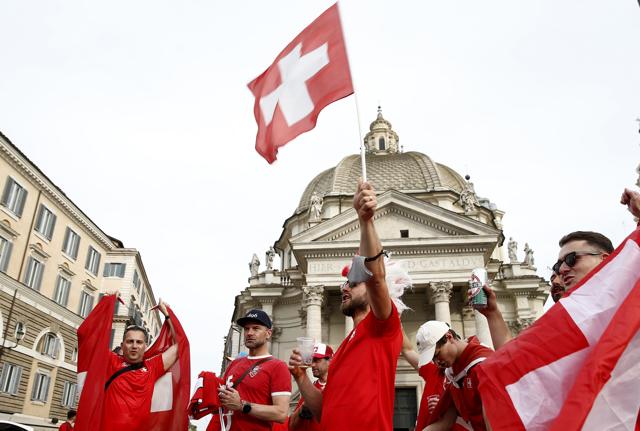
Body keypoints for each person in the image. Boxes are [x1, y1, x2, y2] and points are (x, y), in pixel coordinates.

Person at [288, 180, 409, 431]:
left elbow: (375, 277)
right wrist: (301, 379)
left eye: (353, 283)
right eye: (345, 283)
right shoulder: (343, 349)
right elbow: (324, 409)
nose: (345, 287)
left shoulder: (382, 328)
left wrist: (365, 221)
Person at [101, 300, 179, 430]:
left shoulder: (152, 367)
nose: (134, 346)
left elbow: (180, 345)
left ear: (145, 346)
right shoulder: (110, 361)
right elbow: (90, 336)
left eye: (139, 342)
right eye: (130, 341)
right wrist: (106, 302)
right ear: (122, 345)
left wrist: (167, 314)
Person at [214, 309, 291, 431]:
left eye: (256, 328)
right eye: (246, 329)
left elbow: (281, 413)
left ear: (268, 334)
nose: (249, 333)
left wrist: (242, 405)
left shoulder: (278, 367)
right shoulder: (235, 364)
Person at [419, 321, 494, 431]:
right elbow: (447, 421)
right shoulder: (453, 372)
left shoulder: (483, 364)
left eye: (437, 354)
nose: (437, 363)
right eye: (432, 360)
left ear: (449, 337)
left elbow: (493, 416)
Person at [401, 328, 470, 431]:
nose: (437, 361)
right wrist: (396, 319)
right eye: (433, 358)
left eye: (437, 354)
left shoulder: (467, 377)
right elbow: (407, 350)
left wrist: (443, 407)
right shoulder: (434, 370)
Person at [287, 343, 333, 431]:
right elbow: (291, 426)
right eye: (311, 361)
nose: (312, 365)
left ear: (330, 360)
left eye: (316, 360)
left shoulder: (339, 386)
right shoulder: (310, 388)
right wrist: (302, 411)